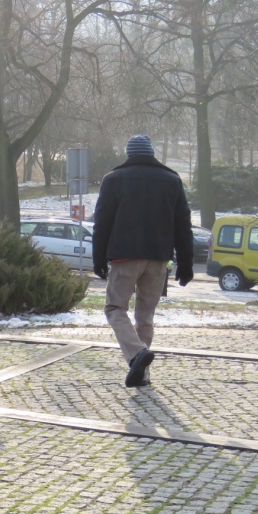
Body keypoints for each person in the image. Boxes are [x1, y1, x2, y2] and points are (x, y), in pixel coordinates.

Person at [92, 134, 194, 388]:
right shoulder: (172, 180)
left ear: (129, 154)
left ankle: (136, 353)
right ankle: (142, 374)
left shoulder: (114, 179)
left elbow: (102, 222)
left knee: (115, 308)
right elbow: (183, 225)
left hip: (125, 256)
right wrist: (186, 263)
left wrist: (98, 257)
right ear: (152, 153)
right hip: (159, 258)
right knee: (145, 316)